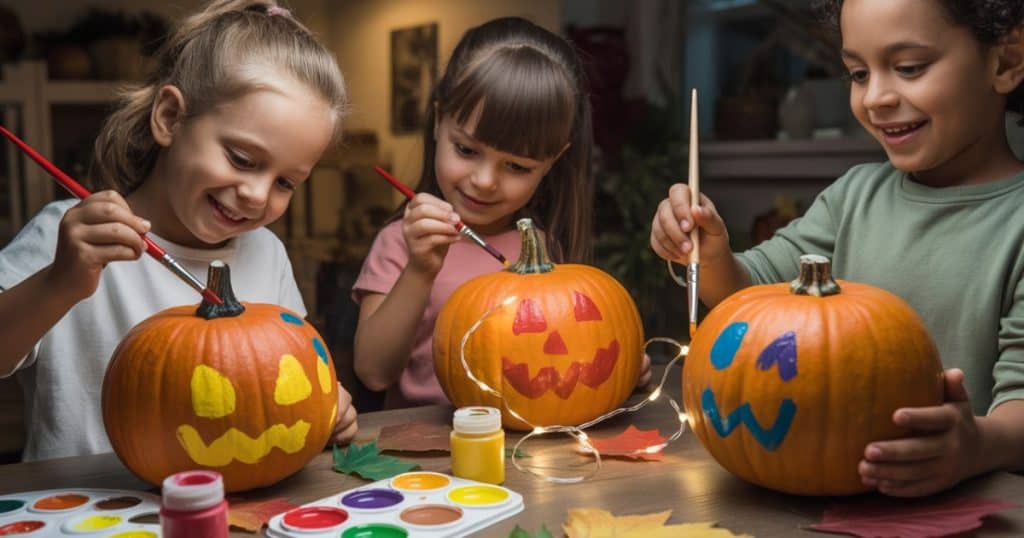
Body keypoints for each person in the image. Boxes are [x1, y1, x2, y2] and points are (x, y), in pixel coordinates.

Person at [651, 0, 1024, 497]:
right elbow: (748, 296)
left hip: (968, 508)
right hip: (814, 496)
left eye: (909, 68)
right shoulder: (854, 197)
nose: (876, 98)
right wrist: (710, 251)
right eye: (857, 73)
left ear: (1006, 62)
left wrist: (973, 446)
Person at [0, 0, 358, 462]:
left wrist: (328, 406)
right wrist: (59, 282)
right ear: (170, 118)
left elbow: (293, 378)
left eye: (285, 182)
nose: (256, 194)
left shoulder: (265, 252)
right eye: (243, 160)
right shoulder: (67, 236)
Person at [353, 17, 651, 410]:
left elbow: (563, 358)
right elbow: (373, 372)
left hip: (526, 448)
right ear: (440, 122)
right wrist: (420, 270)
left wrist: (619, 369)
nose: (485, 181)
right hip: (423, 452)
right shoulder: (402, 241)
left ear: (551, 162)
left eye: (517, 167)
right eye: (466, 150)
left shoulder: (546, 249)